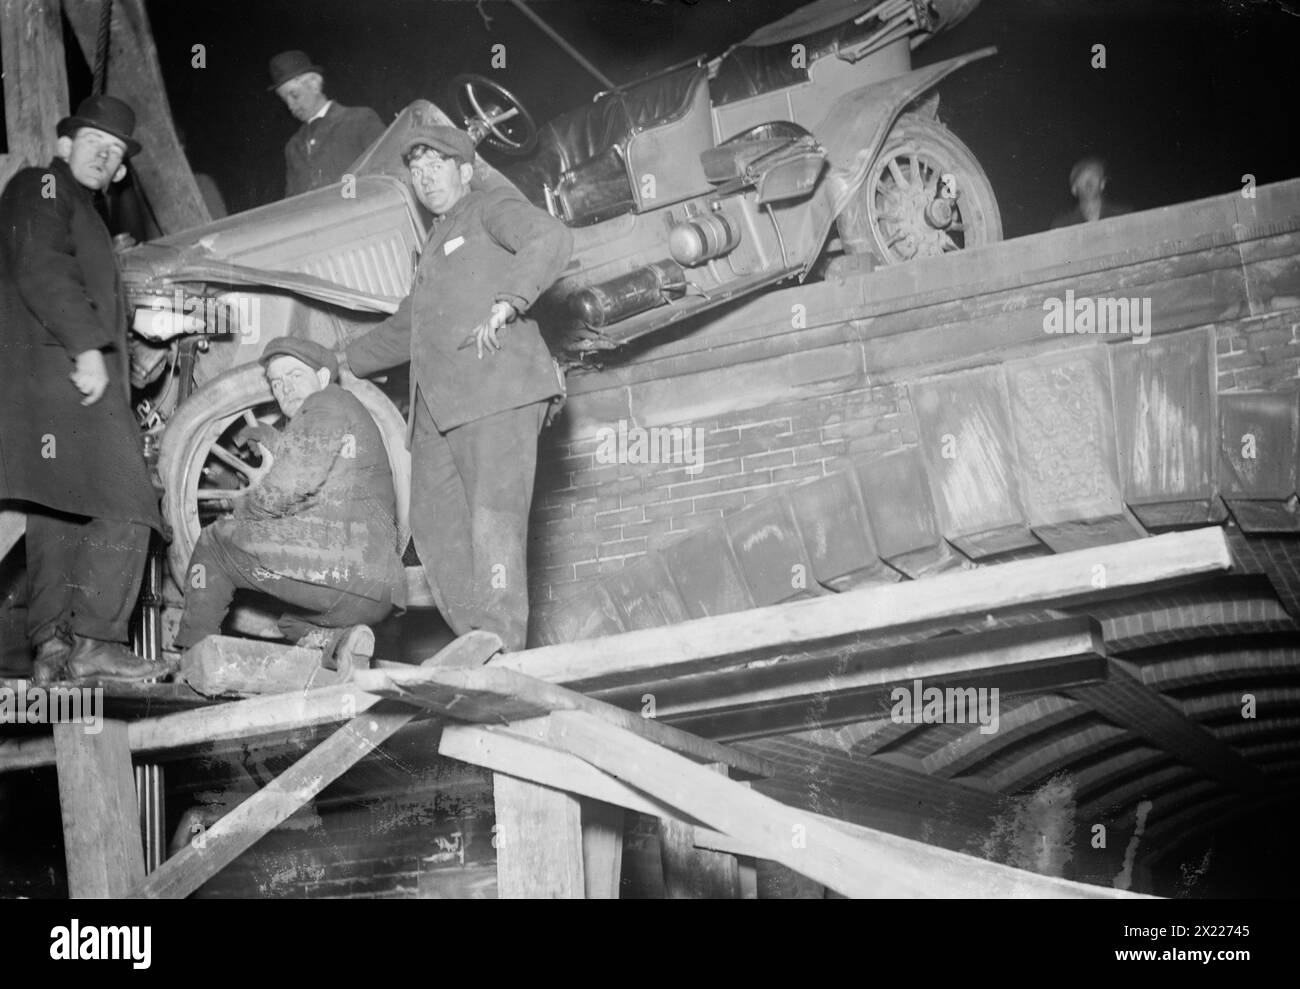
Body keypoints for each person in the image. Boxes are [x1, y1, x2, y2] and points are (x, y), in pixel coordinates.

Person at [342, 125, 572, 651]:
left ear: (465, 171)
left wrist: (510, 299)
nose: (425, 179)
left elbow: (551, 237)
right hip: (439, 412)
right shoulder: (434, 243)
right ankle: (473, 642)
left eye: (436, 166)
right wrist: (340, 361)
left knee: (494, 520)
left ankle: (499, 639)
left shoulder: (488, 207)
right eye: (416, 172)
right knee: (434, 524)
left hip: (496, 390)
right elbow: (409, 327)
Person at [0, 95, 169, 683]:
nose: (104, 154)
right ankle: (95, 642)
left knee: (60, 515)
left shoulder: (76, 206)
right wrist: (89, 347)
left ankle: (52, 650)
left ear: (121, 170)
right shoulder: (43, 186)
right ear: (65, 145)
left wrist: (124, 356)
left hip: (54, 380)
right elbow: (41, 266)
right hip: (65, 374)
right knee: (130, 499)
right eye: (94, 141)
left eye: (114, 150)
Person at [172, 337, 406, 668]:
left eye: (295, 376)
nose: (285, 389)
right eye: (276, 382)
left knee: (214, 544)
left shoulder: (326, 401)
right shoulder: (343, 411)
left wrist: (243, 513)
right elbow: (322, 474)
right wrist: (277, 445)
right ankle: (340, 643)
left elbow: (289, 484)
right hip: (377, 590)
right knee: (291, 623)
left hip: (345, 566)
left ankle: (190, 660)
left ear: (323, 378)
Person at [269, 50, 385, 198]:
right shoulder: (293, 147)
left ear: (314, 85)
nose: (291, 105)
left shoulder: (359, 120)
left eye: (294, 95)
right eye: (285, 99)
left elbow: (387, 175)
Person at [1050, 156, 1131, 229]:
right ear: (1074, 189)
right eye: (1082, 178)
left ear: (1102, 184)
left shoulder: (1124, 215)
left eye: (1094, 176)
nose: (1089, 182)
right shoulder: (1062, 226)